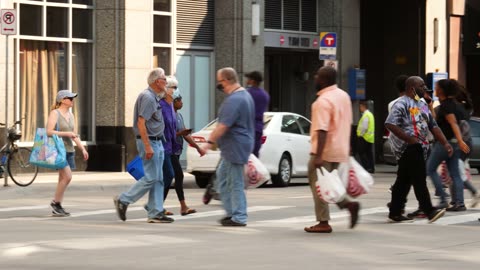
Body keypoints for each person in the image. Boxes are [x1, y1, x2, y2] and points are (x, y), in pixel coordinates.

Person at [385, 76, 451, 223]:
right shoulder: (401, 104)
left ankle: (395, 211)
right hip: (408, 147)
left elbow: (433, 126)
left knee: (403, 180)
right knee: (419, 178)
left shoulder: (421, 104)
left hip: (420, 147)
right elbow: (390, 124)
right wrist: (409, 139)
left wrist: (445, 143)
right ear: (412, 88)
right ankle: (429, 211)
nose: (425, 88)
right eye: (421, 86)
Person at [304, 66, 360, 233]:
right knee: (332, 185)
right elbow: (347, 123)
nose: (315, 78)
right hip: (340, 149)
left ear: (323, 80)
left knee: (319, 185)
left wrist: (319, 155)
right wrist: (348, 146)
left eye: (317, 76)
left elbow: (322, 129)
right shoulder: (344, 96)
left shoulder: (322, 102)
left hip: (325, 151)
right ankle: (348, 204)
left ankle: (323, 222)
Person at [113, 68, 173, 223]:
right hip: (150, 141)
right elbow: (141, 123)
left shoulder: (155, 97)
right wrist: (147, 146)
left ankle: (155, 212)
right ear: (156, 81)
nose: (166, 82)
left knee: (159, 178)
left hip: (158, 141)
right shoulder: (147, 97)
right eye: (164, 79)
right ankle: (124, 199)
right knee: (151, 177)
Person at [202, 67, 255, 227]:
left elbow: (223, 126)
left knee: (235, 182)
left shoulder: (234, 100)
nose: (220, 86)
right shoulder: (245, 95)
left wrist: (208, 143)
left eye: (220, 82)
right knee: (222, 179)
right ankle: (232, 212)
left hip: (235, 147)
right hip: (235, 146)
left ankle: (238, 216)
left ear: (226, 80)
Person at [427, 79, 470, 211]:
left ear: (442, 90)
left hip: (445, 144)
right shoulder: (454, 104)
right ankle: (459, 203)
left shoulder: (447, 105)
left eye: (437, 87)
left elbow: (453, 123)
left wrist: (460, 140)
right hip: (453, 143)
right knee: (455, 173)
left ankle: (442, 198)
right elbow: (436, 122)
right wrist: (430, 106)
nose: (435, 88)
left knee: (430, 169)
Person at [46, 90, 89, 217]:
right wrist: (66, 134)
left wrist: (82, 149)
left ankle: (57, 205)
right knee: (68, 177)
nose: (72, 100)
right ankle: (56, 203)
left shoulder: (71, 115)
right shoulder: (55, 113)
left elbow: (74, 135)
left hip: (69, 150)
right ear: (62, 100)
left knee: (62, 178)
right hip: (58, 150)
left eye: (73, 98)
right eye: (70, 98)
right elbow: (49, 131)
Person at [171, 88, 206, 215]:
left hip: (176, 150)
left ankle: (156, 206)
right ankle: (183, 206)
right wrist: (181, 133)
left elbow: (185, 134)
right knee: (178, 176)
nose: (182, 102)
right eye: (179, 100)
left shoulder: (179, 116)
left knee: (168, 177)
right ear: (173, 101)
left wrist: (198, 147)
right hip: (169, 151)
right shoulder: (168, 115)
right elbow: (167, 134)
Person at [158, 75, 182, 216]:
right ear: (166, 89)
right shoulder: (160, 105)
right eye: (174, 88)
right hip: (161, 145)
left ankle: (156, 205)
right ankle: (155, 205)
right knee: (168, 175)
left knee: (167, 176)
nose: (176, 91)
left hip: (170, 147)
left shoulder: (171, 106)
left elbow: (172, 128)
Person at [245, 71, 270, 157]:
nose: (246, 80)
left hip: (248, 128)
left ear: (252, 81)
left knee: (245, 155)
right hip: (259, 128)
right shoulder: (265, 95)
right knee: (255, 156)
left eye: (248, 78)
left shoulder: (247, 93)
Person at [356, 100, 375, 173]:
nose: (359, 108)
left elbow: (364, 127)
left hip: (364, 137)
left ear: (363, 106)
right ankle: (371, 168)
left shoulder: (366, 115)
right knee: (369, 154)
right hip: (370, 138)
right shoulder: (370, 114)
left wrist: (360, 134)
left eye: (360, 106)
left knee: (362, 153)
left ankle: (366, 167)